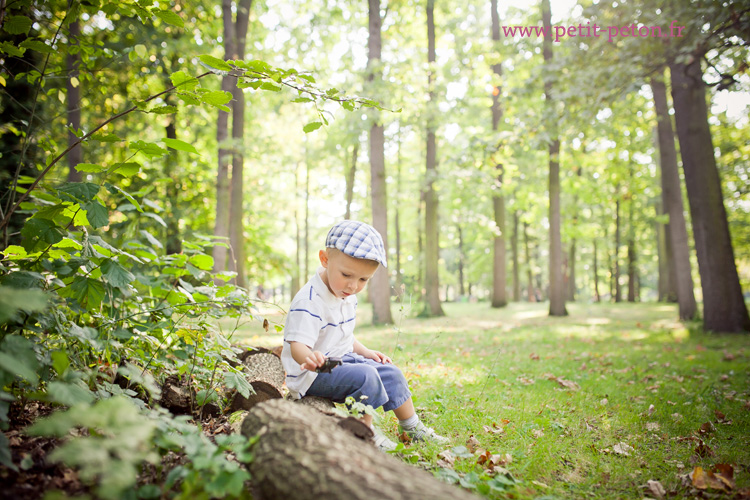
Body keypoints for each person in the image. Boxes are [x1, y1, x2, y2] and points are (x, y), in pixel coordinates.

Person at [280, 220, 449, 451]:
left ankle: (412, 426)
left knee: (390, 372)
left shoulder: (344, 293)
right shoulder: (309, 301)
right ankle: (365, 434)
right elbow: (297, 345)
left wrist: (365, 352)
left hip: (340, 360)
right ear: (325, 259)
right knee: (365, 376)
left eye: (363, 280)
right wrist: (310, 358)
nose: (353, 286)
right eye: (347, 275)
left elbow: (343, 336)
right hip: (311, 374)